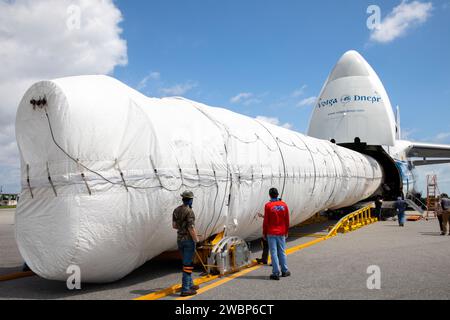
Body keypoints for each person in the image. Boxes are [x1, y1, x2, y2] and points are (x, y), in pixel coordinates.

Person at [172, 190, 202, 297]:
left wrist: (182, 228)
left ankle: (190, 284)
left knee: (186, 262)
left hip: (179, 239)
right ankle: (185, 289)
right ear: (190, 200)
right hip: (188, 240)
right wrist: (196, 240)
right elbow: (191, 228)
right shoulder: (189, 212)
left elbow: (174, 226)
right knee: (188, 265)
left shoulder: (176, 210)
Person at [263, 188, 290, 280]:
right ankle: (285, 270)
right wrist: (286, 231)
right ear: (277, 194)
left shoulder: (268, 206)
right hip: (281, 232)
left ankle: (275, 272)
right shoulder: (284, 205)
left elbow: (266, 221)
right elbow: (287, 220)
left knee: (273, 252)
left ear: (270, 195)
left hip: (271, 232)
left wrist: (264, 233)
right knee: (282, 251)